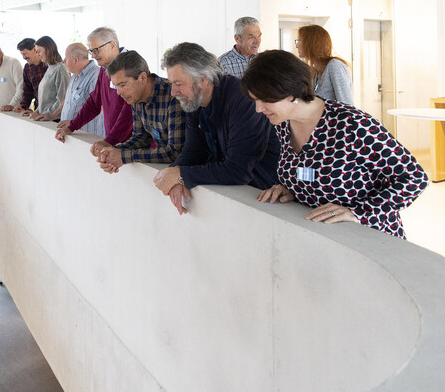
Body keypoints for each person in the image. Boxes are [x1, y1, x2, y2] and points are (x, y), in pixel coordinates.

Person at [241, 50, 428, 239]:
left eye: (264, 100)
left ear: (290, 92)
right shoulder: (283, 124)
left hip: (371, 240)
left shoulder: (352, 124)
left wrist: (359, 212)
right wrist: (292, 189)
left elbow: (414, 178)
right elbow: (313, 173)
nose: (258, 109)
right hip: (326, 240)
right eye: (255, 100)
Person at [152, 42, 280, 215]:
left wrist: (181, 174)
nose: (173, 92)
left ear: (204, 79)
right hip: (234, 198)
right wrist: (173, 175)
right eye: (171, 83)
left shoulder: (242, 100)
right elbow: (194, 151)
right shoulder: (195, 100)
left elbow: (238, 170)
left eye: (179, 83)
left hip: (265, 199)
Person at [97, 51, 185, 173]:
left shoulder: (173, 96)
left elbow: (175, 152)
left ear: (142, 78)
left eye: (122, 85)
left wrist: (123, 157)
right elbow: (141, 138)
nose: (118, 92)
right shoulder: (135, 97)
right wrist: (113, 152)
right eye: (116, 86)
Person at [54, 27, 133, 156]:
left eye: (96, 50)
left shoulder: (130, 65)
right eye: (91, 51)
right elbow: (94, 102)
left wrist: (110, 140)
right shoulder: (104, 69)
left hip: (130, 145)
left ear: (112, 45)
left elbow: (130, 111)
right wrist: (71, 126)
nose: (93, 56)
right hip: (114, 143)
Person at [295, 24, 353, 105]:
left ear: (311, 43)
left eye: (299, 40)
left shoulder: (335, 66)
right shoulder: (315, 72)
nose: (297, 45)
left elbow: (347, 105)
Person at [60, 43, 104, 137]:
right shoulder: (74, 77)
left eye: (66, 58)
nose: (63, 61)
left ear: (75, 59)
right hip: (72, 134)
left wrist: (73, 123)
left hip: (87, 137)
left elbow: (99, 107)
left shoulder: (96, 75)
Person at [23, 36, 69, 121]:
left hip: (55, 120)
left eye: (39, 51)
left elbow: (62, 99)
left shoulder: (60, 69)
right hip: (45, 119)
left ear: (48, 49)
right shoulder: (50, 67)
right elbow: (44, 100)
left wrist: (48, 114)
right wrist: (36, 112)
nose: (38, 54)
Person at [17, 38, 48, 112]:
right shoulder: (27, 68)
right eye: (22, 54)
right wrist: (23, 107)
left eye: (25, 53)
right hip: (38, 111)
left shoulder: (49, 65)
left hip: (54, 113)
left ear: (35, 50)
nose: (23, 57)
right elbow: (27, 92)